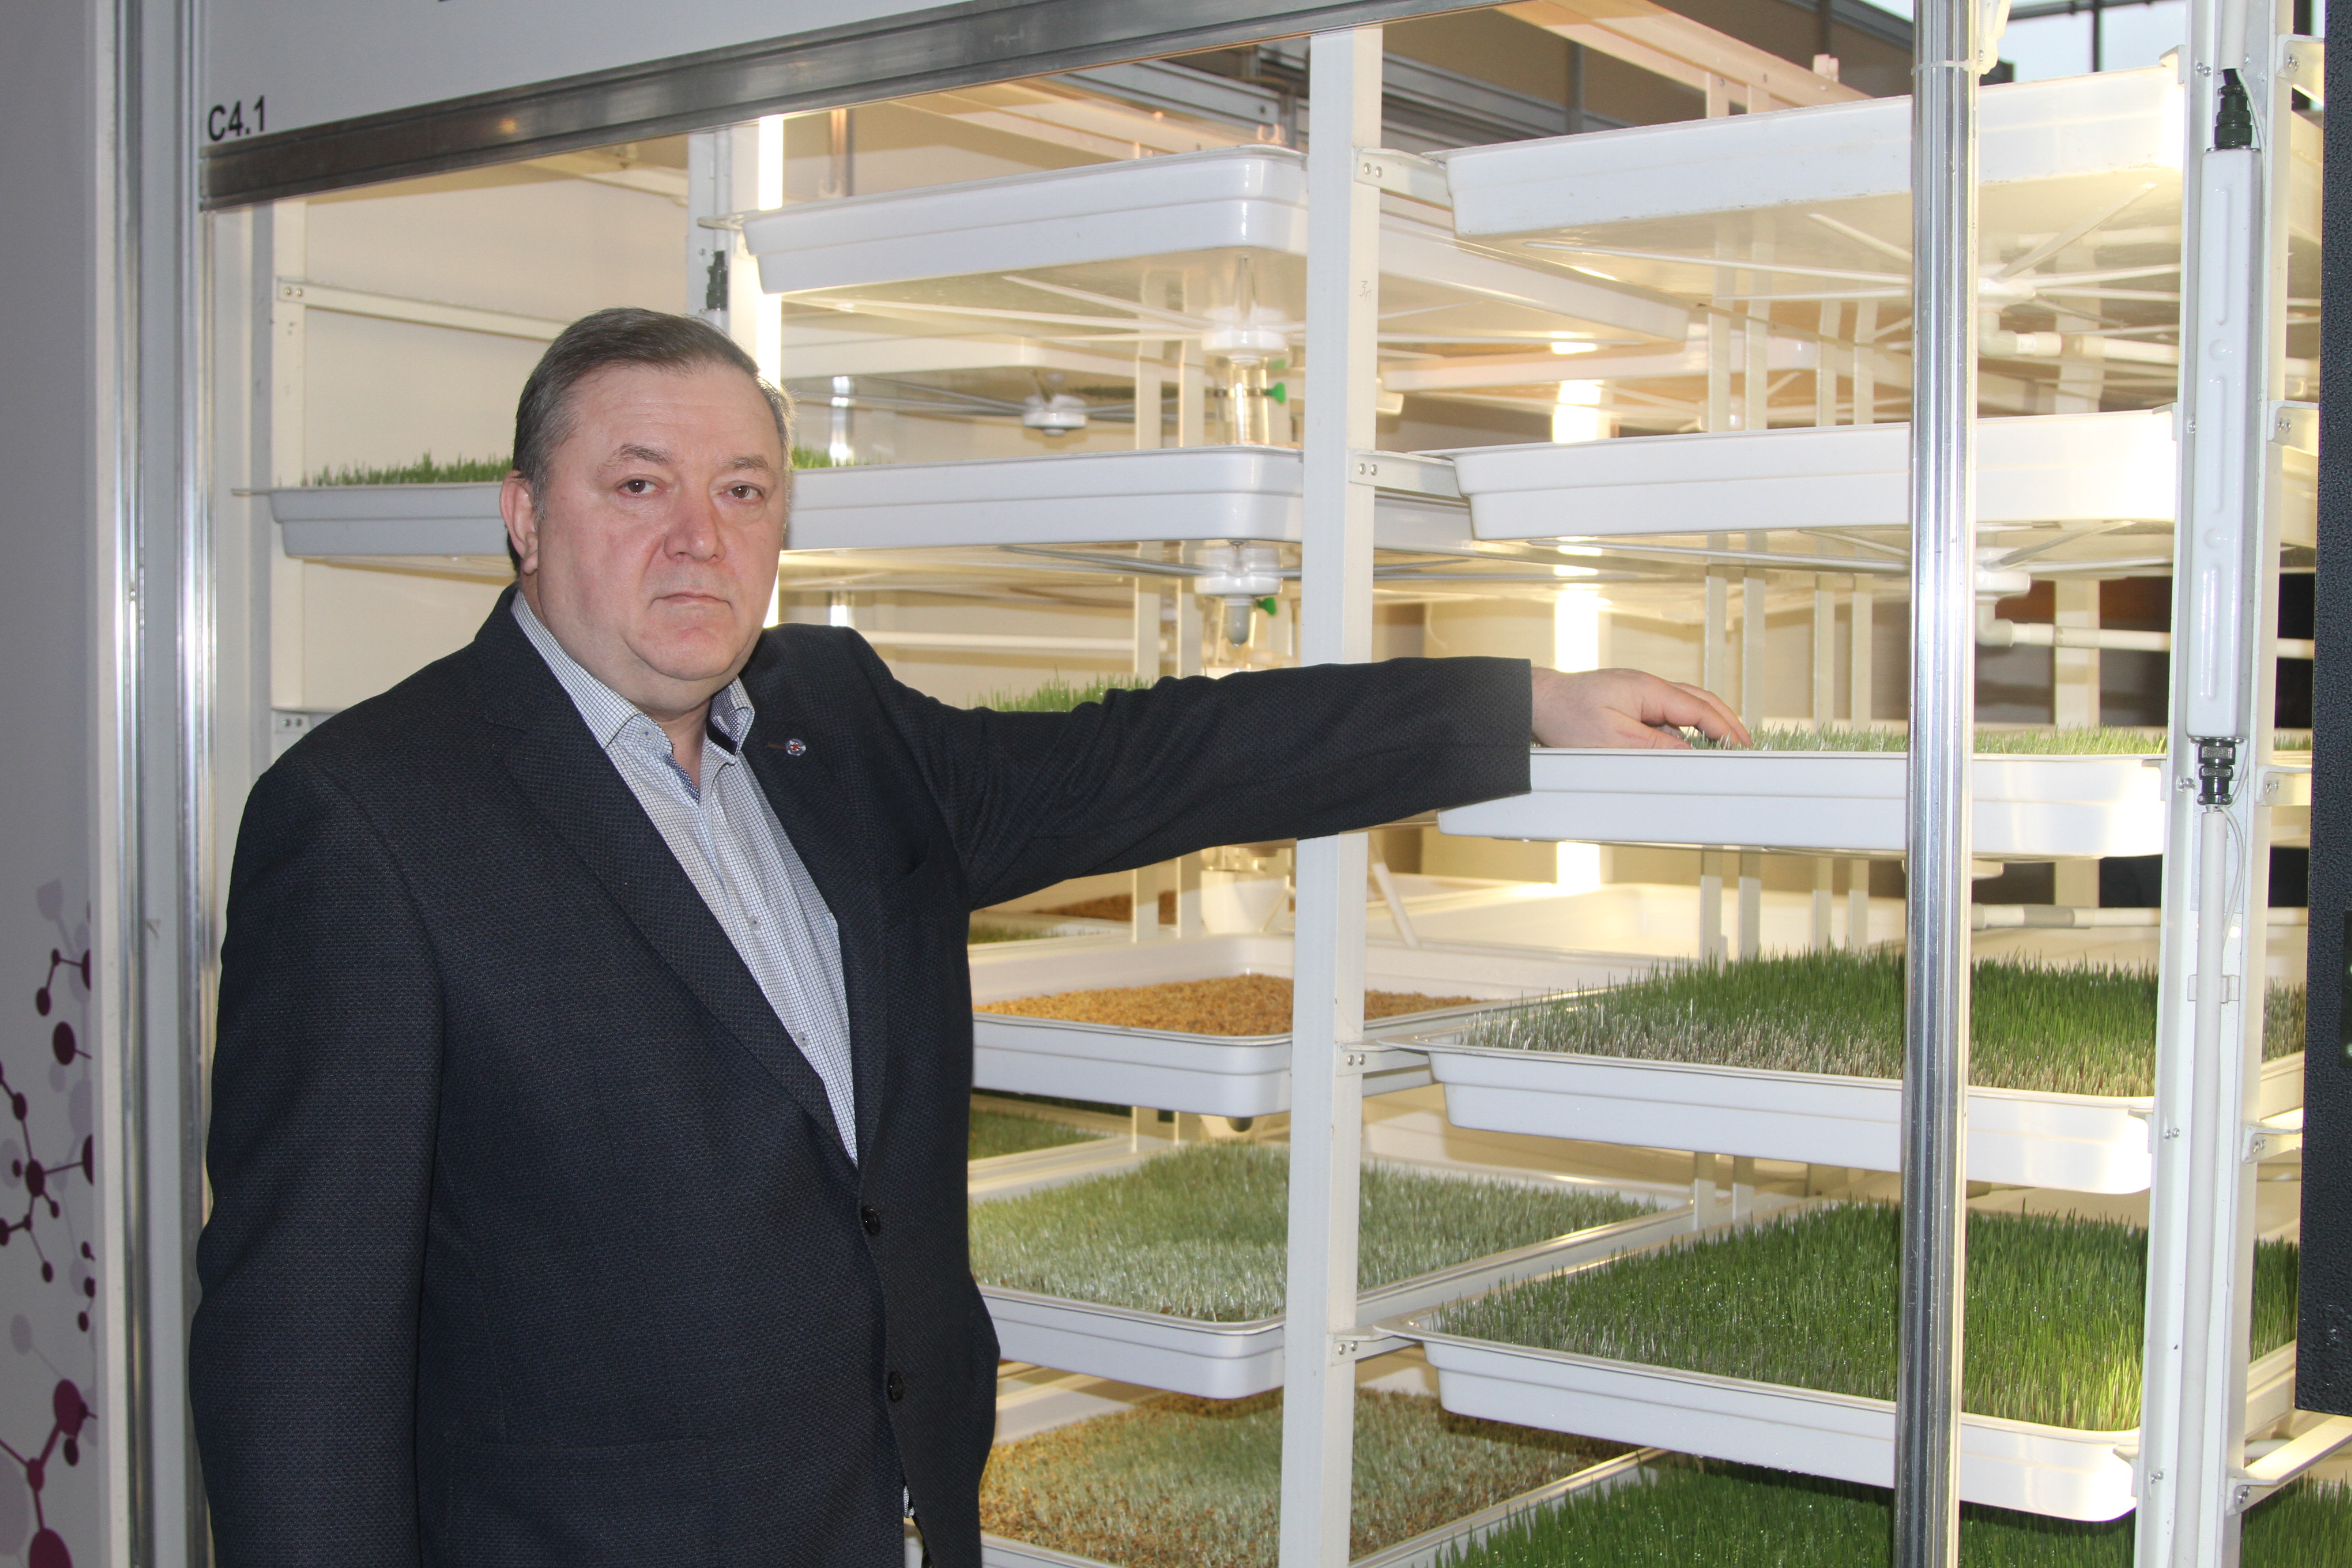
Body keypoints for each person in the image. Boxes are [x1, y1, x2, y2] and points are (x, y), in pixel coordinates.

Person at [189, 308, 1746, 1567]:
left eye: (743, 492)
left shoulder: (836, 725)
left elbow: (1154, 761)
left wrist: (1519, 709)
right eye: (638, 486)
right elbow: (297, 1363)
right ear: (525, 516)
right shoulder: (375, 821)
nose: (699, 540)